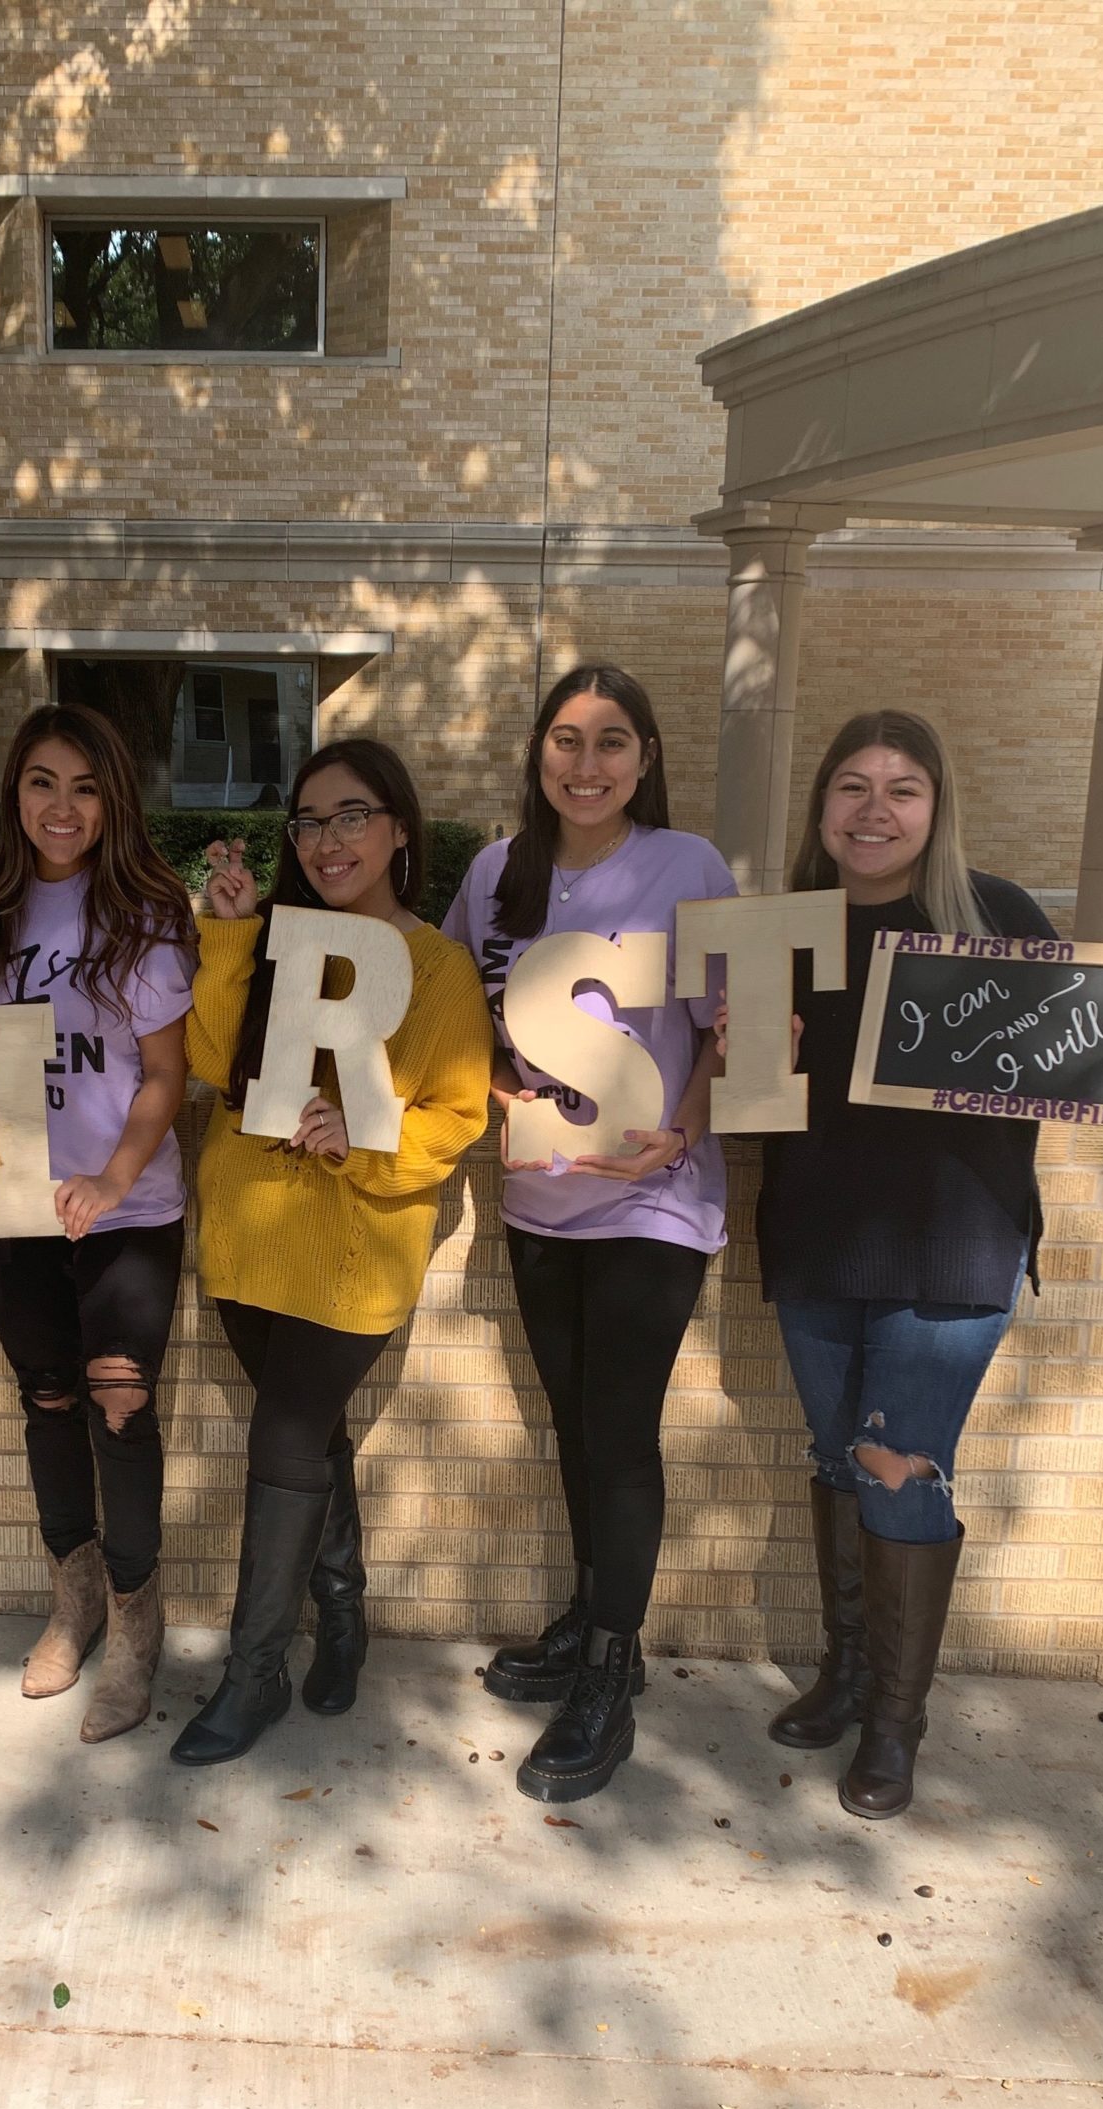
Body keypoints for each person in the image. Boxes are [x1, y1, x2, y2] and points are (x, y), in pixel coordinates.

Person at [750, 708, 1103, 1819]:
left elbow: (1102, 1045)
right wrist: (740, 1057)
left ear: (937, 807)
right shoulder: (785, 930)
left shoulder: (991, 914)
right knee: (836, 1456)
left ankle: (895, 1722)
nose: (875, 809)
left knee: (896, 1467)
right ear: (822, 808)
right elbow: (744, 1097)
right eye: (853, 786)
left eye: (903, 789)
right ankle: (849, 1668)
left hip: (953, 1250)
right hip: (818, 1236)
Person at [441, 665, 735, 1805]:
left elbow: (730, 1024)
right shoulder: (494, 873)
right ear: (540, 752)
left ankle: (613, 1670)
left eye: (613, 741)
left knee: (620, 1429)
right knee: (573, 1419)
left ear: (646, 757)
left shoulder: (689, 865)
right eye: (567, 739)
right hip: (539, 1195)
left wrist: (685, 1126)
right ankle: (591, 1609)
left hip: (655, 1196)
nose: (588, 763)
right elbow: (459, 1011)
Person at [171, 737, 494, 1767]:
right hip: (247, 1230)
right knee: (306, 1436)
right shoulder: (275, 941)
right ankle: (343, 1609)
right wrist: (225, 939)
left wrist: (370, 1140)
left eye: (352, 815)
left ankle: (252, 1673)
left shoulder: (436, 967)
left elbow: (459, 1114)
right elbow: (217, 1064)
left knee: (286, 1428)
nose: (327, 840)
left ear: (401, 826)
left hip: (355, 1246)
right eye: (308, 821)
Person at [0, 706, 196, 1742]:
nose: (60, 807)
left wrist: (114, 1178)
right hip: (11, 1202)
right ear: (12, 794)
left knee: (119, 1405)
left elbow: (167, 1075)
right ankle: (71, 1599)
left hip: (124, 1209)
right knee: (50, 1397)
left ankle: (135, 1618)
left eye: (82, 785)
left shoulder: (147, 912)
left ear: (112, 797)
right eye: (39, 782)